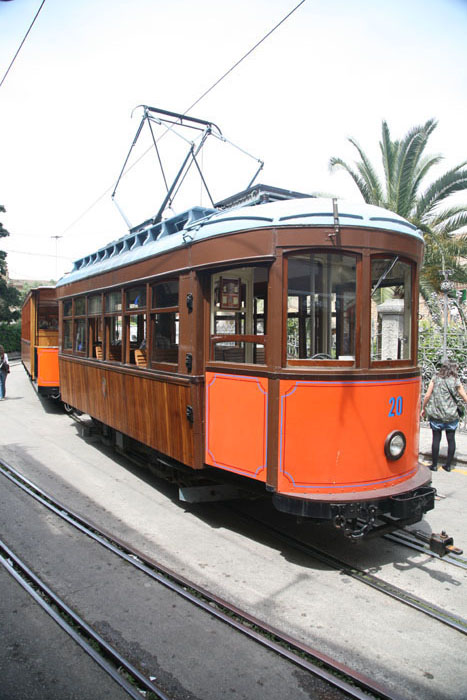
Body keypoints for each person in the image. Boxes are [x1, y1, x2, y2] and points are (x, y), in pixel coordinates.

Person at [421, 362, 467, 472]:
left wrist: (423, 408)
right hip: (451, 415)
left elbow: (427, 395)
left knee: (436, 439)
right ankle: (448, 466)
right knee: (451, 440)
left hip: (436, 415)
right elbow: (464, 396)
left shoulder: (435, 378)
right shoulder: (455, 380)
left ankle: (434, 465)